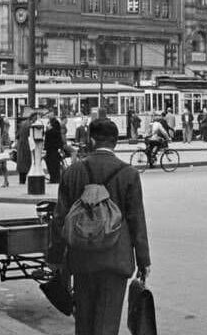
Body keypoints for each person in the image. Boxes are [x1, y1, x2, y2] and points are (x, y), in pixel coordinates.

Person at [47, 117, 150, 335]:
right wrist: (143, 261)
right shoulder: (129, 174)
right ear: (115, 142)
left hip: (82, 259)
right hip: (116, 259)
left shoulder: (73, 172)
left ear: (91, 140)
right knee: (107, 324)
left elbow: (59, 219)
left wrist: (55, 258)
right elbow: (136, 220)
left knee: (83, 322)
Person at [43, 116, 66, 184]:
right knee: (56, 165)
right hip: (56, 150)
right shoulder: (57, 130)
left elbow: (46, 141)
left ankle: (53, 179)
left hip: (50, 150)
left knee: (50, 165)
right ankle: (57, 178)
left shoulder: (49, 132)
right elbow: (60, 140)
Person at [16, 111, 35, 184]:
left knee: (21, 163)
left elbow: (17, 135)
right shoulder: (30, 125)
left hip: (21, 145)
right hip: (27, 145)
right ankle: (25, 180)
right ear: (33, 118)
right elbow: (32, 137)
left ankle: (21, 180)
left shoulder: (22, 124)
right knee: (27, 162)